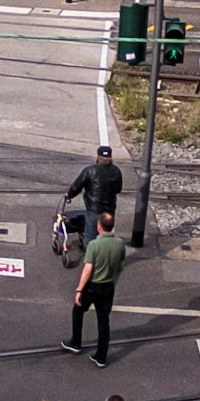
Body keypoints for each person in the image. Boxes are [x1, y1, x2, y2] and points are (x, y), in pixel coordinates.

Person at [62, 211, 126, 367]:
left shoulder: (94, 245)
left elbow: (87, 270)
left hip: (92, 286)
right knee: (103, 321)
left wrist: (79, 289)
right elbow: (120, 265)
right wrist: (113, 281)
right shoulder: (120, 244)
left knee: (78, 311)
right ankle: (101, 357)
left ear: (99, 227)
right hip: (108, 286)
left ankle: (76, 342)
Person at [65, 145, 123, 219]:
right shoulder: (116, 170)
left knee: (92, 225)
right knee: (107, 225)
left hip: (94, 209)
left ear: (98, 157)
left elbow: (76, 187)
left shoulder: (90, 170)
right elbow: (118, 189)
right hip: (110, 209)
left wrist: (69, 195)